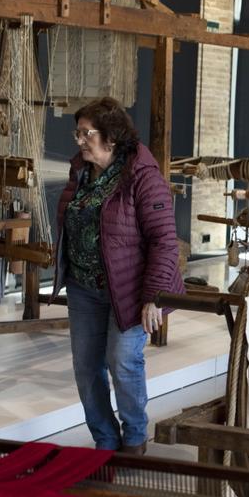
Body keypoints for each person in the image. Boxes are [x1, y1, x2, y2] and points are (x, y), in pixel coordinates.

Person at [51, 97, 184, 454]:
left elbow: (164, 241)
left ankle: (135, 437)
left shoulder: (142, 176)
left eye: (85, 133)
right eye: (77, 133)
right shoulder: (80, 171)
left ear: (110, 136)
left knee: (122, 360)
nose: (78, 140)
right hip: (83, 287)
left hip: (129, 289)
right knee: (86, 368)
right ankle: (105, 440)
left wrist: (154, 297)